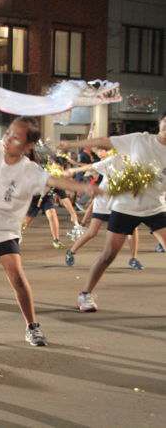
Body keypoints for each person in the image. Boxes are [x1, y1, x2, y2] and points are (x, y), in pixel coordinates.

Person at [0, 96, 99, 346]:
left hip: (4, 230)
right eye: (9, 132)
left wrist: (85, 188)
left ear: (27, 146)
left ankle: (32, 326)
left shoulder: (30, 171)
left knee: (18, 279)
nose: (8, 138)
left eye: (16, 137)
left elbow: (55, 182)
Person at [58, 113, 166, 312]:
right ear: (160, 122)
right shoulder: (139, 140)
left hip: (156, 208)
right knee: (108, 255)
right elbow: (103, 141)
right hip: (125, 207)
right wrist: (72, 145)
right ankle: (85, 294)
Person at [64, 155, 143, 270]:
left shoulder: (136, 163)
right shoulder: (113, 160)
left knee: (132, 230)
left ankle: (133, 259)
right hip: (103, 203)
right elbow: (91, 166)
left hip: (121, 203)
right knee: (92, 232)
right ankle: (71, 252)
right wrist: (73, 169)